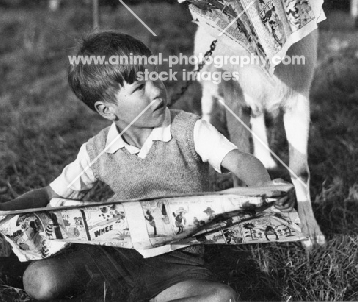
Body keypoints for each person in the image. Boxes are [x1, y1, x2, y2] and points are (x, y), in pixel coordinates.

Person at [0, 31, 281, 302]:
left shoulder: (189, 129)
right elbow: (50, 193)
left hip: (176, 261)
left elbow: (241, 160)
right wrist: (5, 212)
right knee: (40, 280)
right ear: (107, 110)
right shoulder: (98, 150)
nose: (157, 90)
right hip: (113, 252)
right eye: (139, 88)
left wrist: (263, 188)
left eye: (155, 77)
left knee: (223, 297)